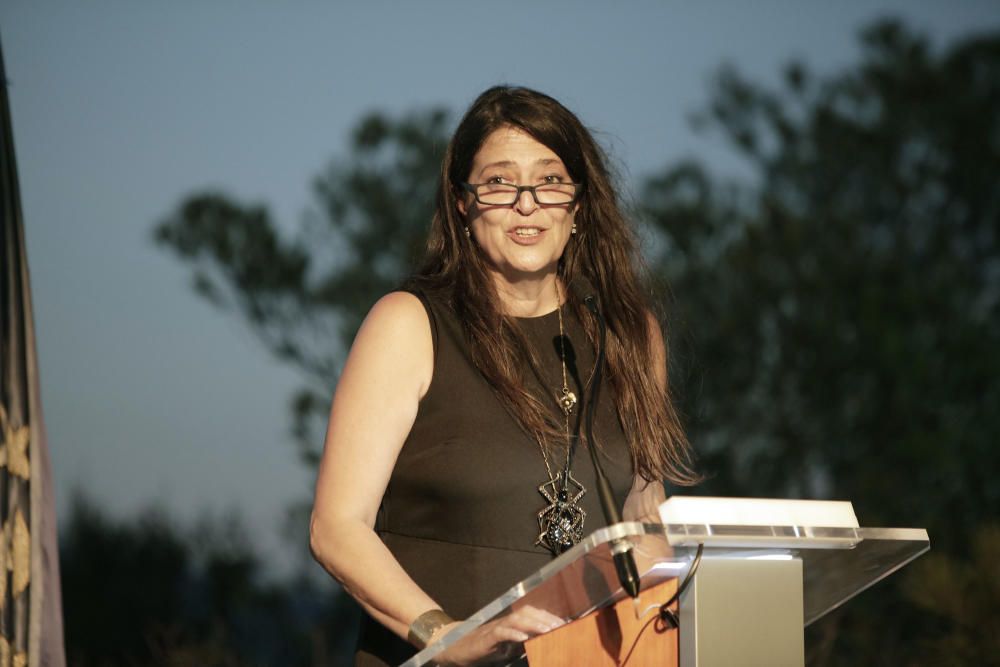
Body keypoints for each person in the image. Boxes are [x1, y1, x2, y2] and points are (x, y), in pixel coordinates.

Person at [309, 86, 698, 666]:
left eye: (549, 180)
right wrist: (446, 637)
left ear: (579, 204)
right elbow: (337, 527)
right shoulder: (409, 324)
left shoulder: (629, 333)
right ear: (462, 204)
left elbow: (644, 518)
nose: (527, 203)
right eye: (498, 182)